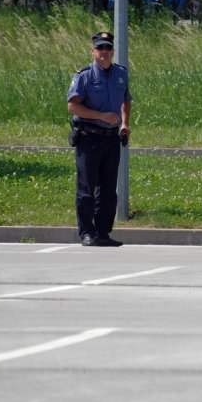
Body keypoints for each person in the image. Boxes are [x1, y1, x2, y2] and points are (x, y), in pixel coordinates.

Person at [67, 31, 132, 247]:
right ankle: (87, 232)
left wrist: (124, 123)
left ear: (112, 51)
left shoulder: (121, 74)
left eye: (108, 48)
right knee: (86, 188)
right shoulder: (84, 76)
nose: (104, 52)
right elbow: (72, 106)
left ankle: (103, 232)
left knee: (108, 190)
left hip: (111, 139)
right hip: (89, 137)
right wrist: (100, 115)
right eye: (100, 48)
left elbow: (126, 100)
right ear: (93, 51)